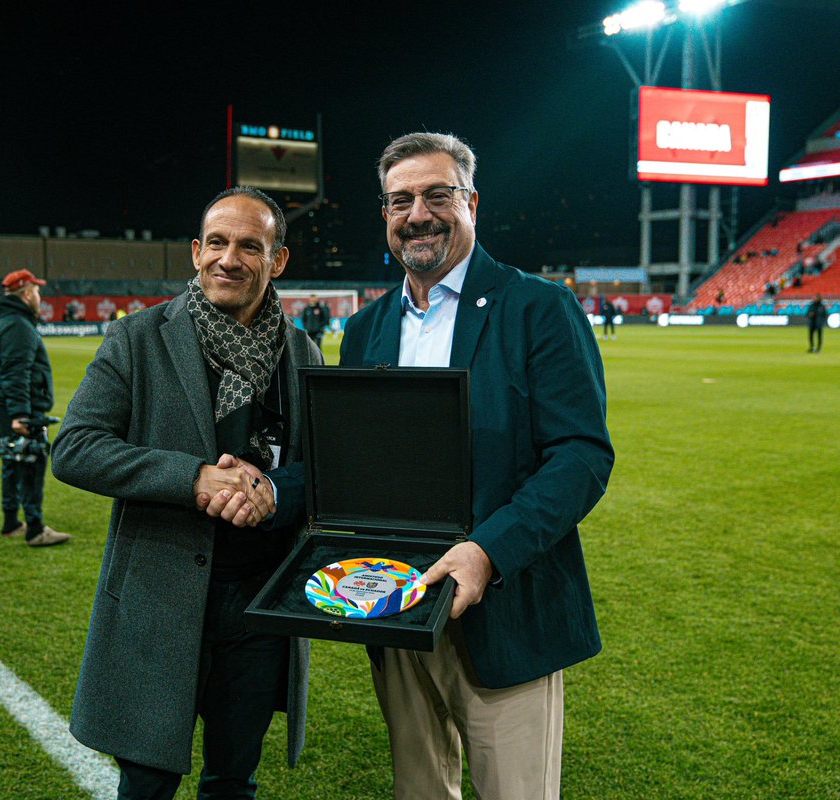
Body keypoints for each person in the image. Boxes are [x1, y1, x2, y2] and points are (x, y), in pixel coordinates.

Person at [339, 133, 614, 799]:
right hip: (399, 609)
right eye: (399, 200)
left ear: (471, 203)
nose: (418, 214)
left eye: (437, 195)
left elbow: (580, 456)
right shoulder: (364, 330)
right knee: (419, 790)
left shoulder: (538, 308)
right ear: (384, 213)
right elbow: (353, 464)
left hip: (507, 607)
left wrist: (486, 552)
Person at [50, 187, 322, 799]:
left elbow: (326, 471)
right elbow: (74, 448)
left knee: (233, 780)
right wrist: (194, 479)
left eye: (250, 246)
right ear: (196, 253)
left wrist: (273, 491)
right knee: (147, 783)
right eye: (218, 243)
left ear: (277, 260)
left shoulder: (302, 352)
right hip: (161, 598)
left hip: (260, 606)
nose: (230, 258)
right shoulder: (139, 338)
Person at [0, 269, 71, 547]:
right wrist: (20, 414)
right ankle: (35, 528)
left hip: (6, 404)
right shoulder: (17, 325)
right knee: (32, 461)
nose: (39, 297)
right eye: (37, 291)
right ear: (27, 293)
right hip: (23, 408)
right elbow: (16, 372)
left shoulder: (4, 321)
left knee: (12, 460)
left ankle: (11, 522)